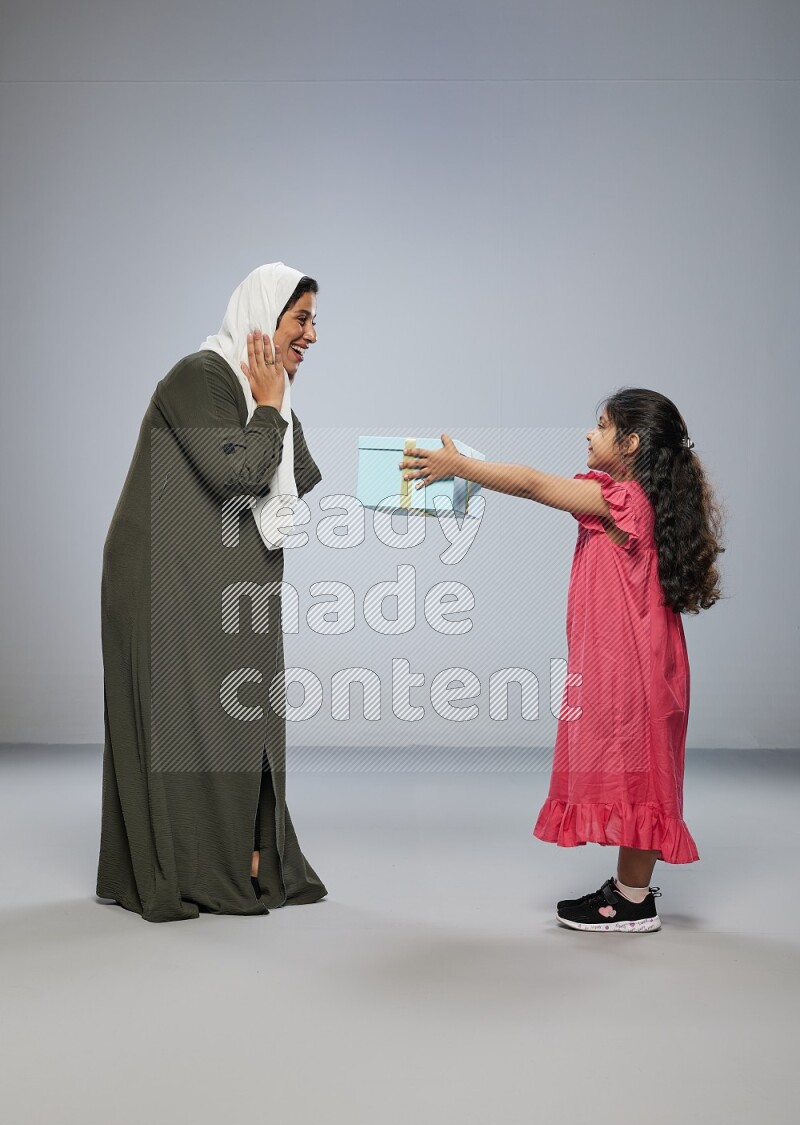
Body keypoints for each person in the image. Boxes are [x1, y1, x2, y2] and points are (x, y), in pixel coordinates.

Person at [400, 388, 725, 933]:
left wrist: (460, 467)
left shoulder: (625, 501)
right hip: (644, 661)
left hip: (633, 668)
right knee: (640, 773)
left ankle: (633, 903)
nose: (589, 434)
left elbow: (531, 483)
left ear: (631, 443)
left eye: (601, 426)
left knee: (640, 775)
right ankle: (630, 892)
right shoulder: (635, 500)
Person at [96, 263, 327, 921]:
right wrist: (270, 407)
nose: (312, 335)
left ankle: (240, 854)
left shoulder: (263, 393)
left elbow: (297, 475)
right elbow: (239, 475)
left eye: (314, 321)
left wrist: (424, 476)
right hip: (163, 580)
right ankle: (194, 865)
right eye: (301, 319)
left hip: (220, 582)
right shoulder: (200, 376)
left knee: (238, 714)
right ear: (262, 317)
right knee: (187, 718)